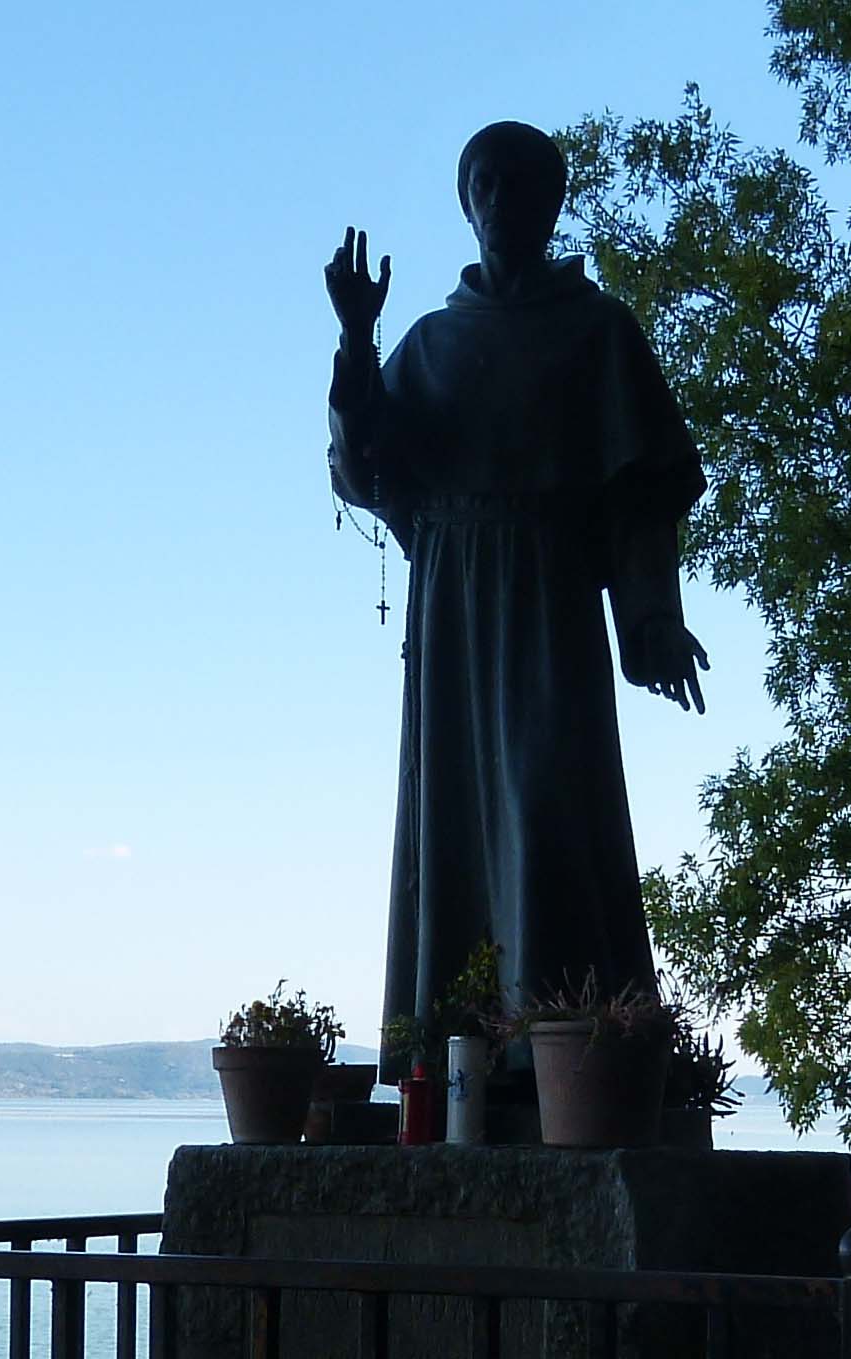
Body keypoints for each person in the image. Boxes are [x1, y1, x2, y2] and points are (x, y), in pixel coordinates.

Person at [326, 120, 709, 1078]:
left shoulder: (597, 331)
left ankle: (565, 1056)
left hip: (546, 594)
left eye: (520, 183)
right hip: (451, 601)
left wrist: (650, 617)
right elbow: (361, 469)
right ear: (467, 202)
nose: (500, 201)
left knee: (548, 803)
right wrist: (357, 338)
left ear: (552, 201)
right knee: (450, 815)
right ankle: (452, 1060)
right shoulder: (430, 340)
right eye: (483, 184)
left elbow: (640, 490)